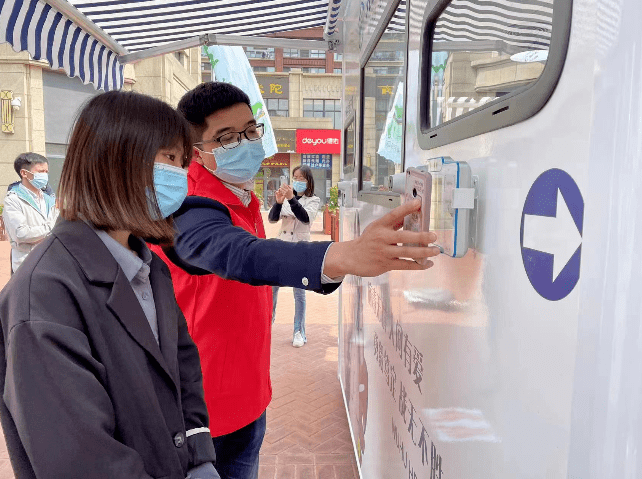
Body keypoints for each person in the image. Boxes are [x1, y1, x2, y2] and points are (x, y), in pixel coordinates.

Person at [151, 82, 439, 479]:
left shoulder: (241, 195)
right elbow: (237, 253)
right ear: (196, 152)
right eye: (227, 137)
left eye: (251, 130)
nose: (247, 143)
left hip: (248, 395)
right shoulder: (187, 202)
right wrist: (340, 255)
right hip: (202, 412)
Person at [0, 91, 219, 479]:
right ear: (116, 157)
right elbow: (82, 460)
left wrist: (199, 455)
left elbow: (183, 368)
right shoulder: (45, 295)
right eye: (169, 159)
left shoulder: (150, 265)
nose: (180, 177)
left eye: (183, 164)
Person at [268, 165, 320, 347]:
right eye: (295, 176)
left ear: (309, 181)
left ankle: (299, 331)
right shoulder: (286, 199)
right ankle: (267, 324)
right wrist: (279, 202)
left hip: (300, 249)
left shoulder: (313, 200)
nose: (297, 180)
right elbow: (273, 219)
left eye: (302, 178)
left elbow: (305, 218)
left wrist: (291, 200)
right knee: (272, 289)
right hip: (281, 247)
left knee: (299, 293)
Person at [3, 153, 58, 273]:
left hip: (50, 262)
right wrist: (51, 229)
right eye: (40, 171)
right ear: (24, 173)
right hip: (27, 264)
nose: (44, 176)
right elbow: (21, 234)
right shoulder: (13, 200)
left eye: (46, 172)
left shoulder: (49, 199)